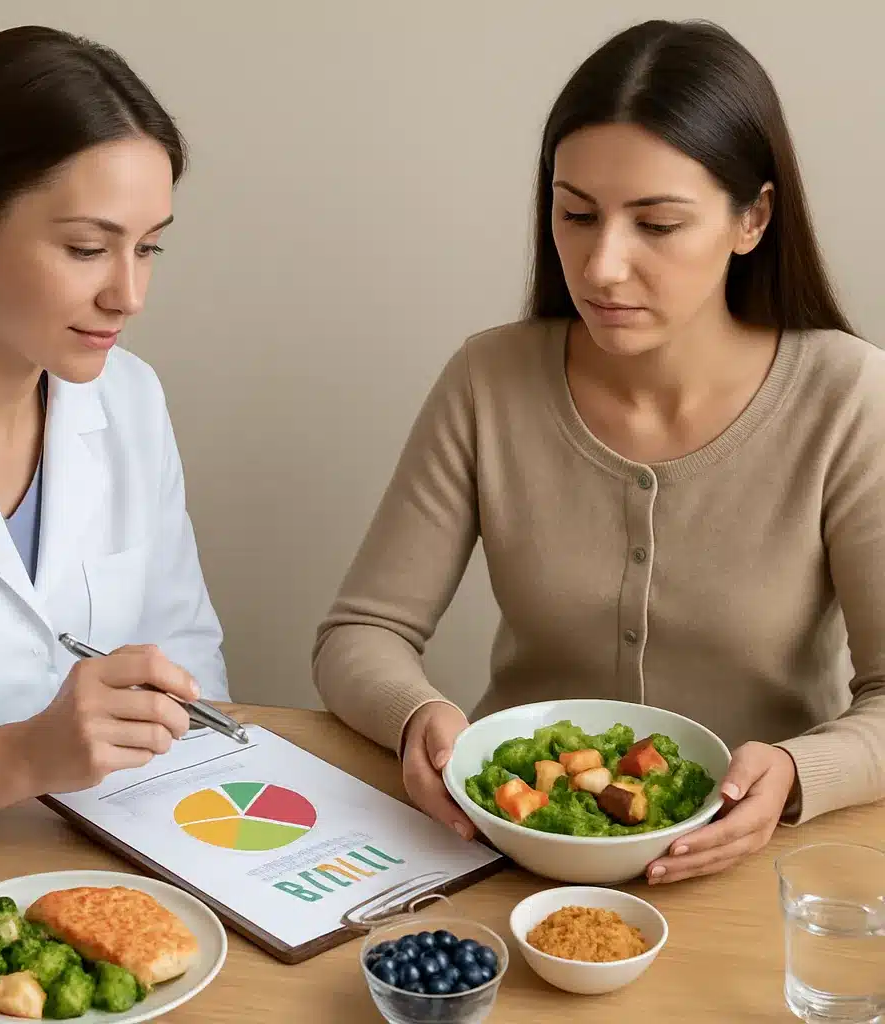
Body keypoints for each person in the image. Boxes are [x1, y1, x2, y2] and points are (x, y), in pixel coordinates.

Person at [313, 18, 885, 886]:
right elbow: (361, 633)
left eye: (656, 224)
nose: (603, 265)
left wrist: (804, 775)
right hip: (510, 857)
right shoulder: (489, 378)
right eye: (575, 214)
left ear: (753, 219)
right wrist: (416, 714)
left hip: (754, 869)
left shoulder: (847, 398)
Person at [0, 26, 230, 880]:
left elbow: (189, 653)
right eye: (87, 248)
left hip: (108, 873)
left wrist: (171, 710)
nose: (128, 294)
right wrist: (21, 758)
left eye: (149, 247)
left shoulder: (128, 399)